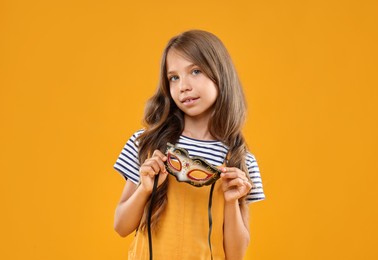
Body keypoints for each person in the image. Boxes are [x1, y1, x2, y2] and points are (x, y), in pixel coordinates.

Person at [113, 29, 265, 260]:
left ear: (220, 73)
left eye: (195, 71)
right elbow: (121, 226)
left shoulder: (240, 160)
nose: (183, 86)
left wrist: (232, 200)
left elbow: (236, 255)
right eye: (174, 77)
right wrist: (145, 188)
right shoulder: (146, 143)